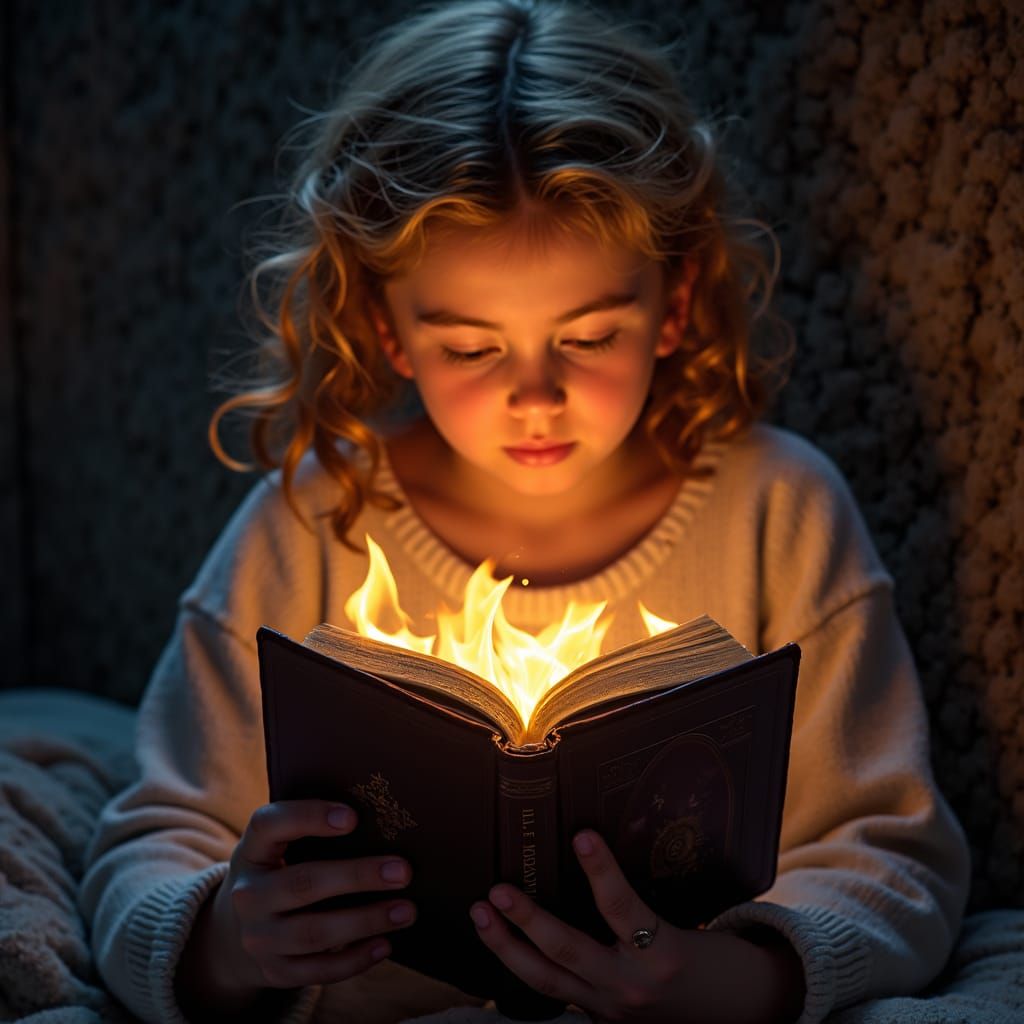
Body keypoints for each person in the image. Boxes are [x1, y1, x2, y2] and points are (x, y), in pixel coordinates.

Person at [78, 1, 971, 1022]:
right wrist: (226, 942)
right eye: (470, 347)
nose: (535, 395)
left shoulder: (780, 514)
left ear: (673, 305)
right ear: (385, 327)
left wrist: (742, 979)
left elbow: (891, 848)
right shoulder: (315, 520)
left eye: (588, 336)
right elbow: (152, 838)